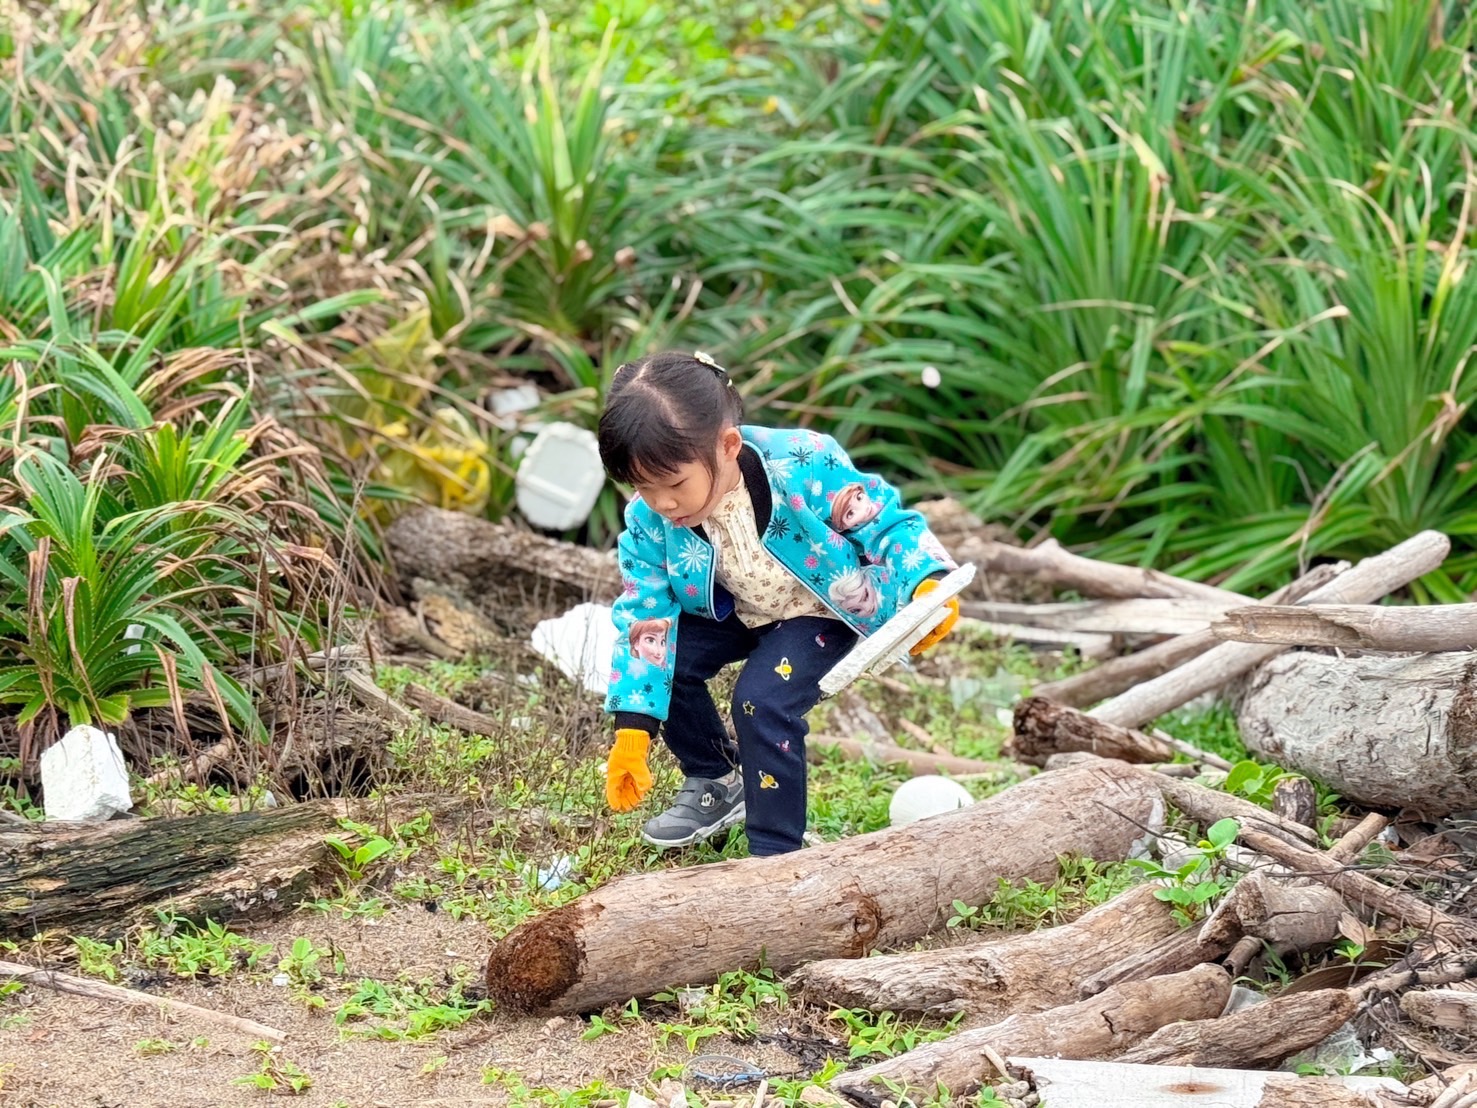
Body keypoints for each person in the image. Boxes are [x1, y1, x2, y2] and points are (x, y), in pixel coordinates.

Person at [596, 351, 960, 856]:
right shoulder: (649, 520)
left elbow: (885, 522)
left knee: (761, 700)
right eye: (642, 487)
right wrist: (632, 730)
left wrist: (928, 585)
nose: (663, 504)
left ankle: (774, 852)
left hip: (823, 607)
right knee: (672, 653)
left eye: (674, 484)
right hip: (737, 609)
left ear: (727, 446)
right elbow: (646, 619)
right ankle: (715, 781)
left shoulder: (804, 462)